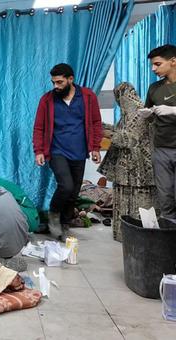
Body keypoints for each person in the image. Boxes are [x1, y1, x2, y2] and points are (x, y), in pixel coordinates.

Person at [32, 63, 103, 241]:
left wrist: (95, 147)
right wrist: (39, 150)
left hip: (79, 151)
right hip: (57, 150)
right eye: (53, 82)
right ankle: (53, 215)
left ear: (71, 79)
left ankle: (64, 224)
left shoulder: (87, 96)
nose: (56, 86)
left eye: (60, 82)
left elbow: (95, 122)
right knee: (66, 185)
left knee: (74, 192)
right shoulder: (47, 100)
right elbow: (39, 127)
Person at [98, 83, 155, 241]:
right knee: (125, 200)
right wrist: (103, 127)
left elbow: (128, 139)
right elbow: (123, 133)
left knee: (138, 202)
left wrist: (105, 132)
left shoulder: (139, 114)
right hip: (127, 169)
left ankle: (136, 236)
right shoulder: (129, 115)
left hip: (138, 170)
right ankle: (126, 235)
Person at [140, 45, 176, 224]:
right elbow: (149, 114)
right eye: (152, 65)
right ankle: (169, 233)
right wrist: (146, 114)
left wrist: (173, 110)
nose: (154, 69)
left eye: (158, 64)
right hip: (161, 148)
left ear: (173, 61)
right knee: (165, 195)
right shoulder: (154, 88)